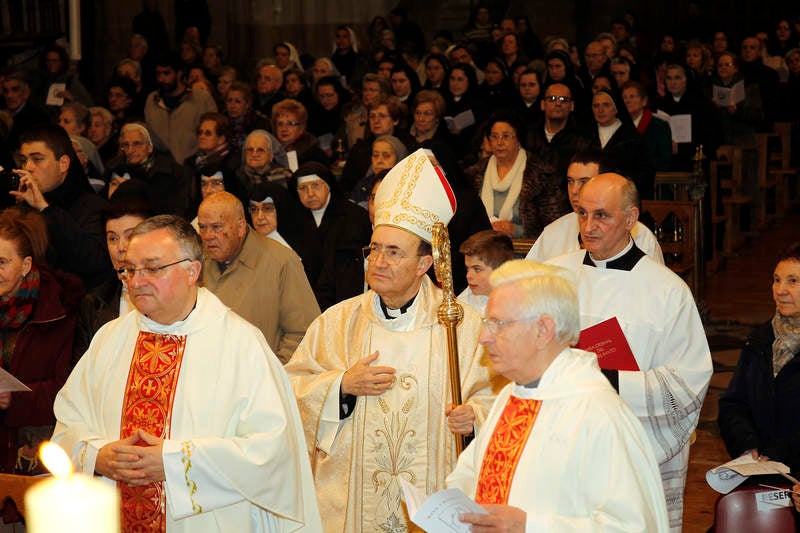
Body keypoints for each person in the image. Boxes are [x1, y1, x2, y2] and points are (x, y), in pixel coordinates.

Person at [52, 214, 322, 531]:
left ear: (192, 271)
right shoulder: (110, 339)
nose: (136, 281)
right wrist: (97, 456)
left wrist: (176, 462)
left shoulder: (240, 345)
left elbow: (273, 451)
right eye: (130, 269)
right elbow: (68, 423)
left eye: (152, 268)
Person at [285, 149, 499, 532]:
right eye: (375, 249)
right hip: (351, 510)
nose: (378, 262)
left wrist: (476, 417)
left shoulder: (464, 329)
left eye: (394, 252)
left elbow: (501, 399)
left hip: (433, 500)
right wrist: (340, 386)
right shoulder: (337, 323)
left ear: (423, 265)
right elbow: (291, 389)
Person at [448, 260, 669, 532]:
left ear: (543, 330)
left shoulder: (598, 412)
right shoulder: (510, 395)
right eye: (487, 322)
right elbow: (472, 475)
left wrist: (530, 527)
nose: (484, 337)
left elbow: (634, 526)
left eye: (498, 324)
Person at [547, 173, 713, 531]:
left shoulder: (666, 290)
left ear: (631, 219)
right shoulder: (553, 276)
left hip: (633, 450)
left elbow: (688, 383)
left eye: (602, 215)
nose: (588, 226)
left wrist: (610, 380)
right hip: (565, 446)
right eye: (581, 213)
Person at [0, 208, 83, 475]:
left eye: (2, 262)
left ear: (25, 265)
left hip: (35, 452)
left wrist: (14, 399)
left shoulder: (57, 311)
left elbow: (69, 389)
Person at [198, 192, 320, 363]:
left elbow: (304, 332)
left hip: (260, 381)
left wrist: (274, 375)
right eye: (202, 227)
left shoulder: (280, 261)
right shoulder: (196, 263)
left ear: (240, 227)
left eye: (217, 227)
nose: (208, 235)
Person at [719, 243, 800, 471]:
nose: (780, 290)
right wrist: (747, 447)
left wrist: (777, 455)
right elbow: (733, 403)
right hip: (760, 470)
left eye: (793, 281)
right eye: (776, 279)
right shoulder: (761, 339)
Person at [13, 124, 111, 289]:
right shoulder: (20, 207)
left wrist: (45, 208)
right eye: (24, 160)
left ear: (63, 163)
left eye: (37, 159)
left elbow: (93, 263)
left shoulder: (94, 207)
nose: (28, 167)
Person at [527, 150, 663, 263]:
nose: (574, 190)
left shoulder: (642, 237)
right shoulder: (553, 232)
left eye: (584, 181)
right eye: (570, 181)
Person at [466, 112, 567, 238]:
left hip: (525, 251)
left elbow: (555, 225)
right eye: (494, 136)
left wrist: (516, 230)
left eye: (506, 136)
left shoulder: (541, 174)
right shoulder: (474, 173)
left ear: (518, 139)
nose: (499, 142)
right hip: (483, 248)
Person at [287, 162, 371, 310]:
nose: (310, 193)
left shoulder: (354, 217)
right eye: (303, 188)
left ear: (328, 186)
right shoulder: (292, 220)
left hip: (344, 300)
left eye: (316, 185)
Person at [588, 89, 655, 200]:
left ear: (616, 108)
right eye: (596, 106)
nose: (600, 110)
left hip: (622, 197)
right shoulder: (586, 137)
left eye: (606, 105)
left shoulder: (632, 138)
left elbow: (644, 174)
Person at [457, 229, 513, 314]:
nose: (468, 276)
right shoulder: (464, 301)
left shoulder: (519, 304)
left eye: (477, 269)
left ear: (501, 269)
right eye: (467, 268)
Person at [621, 80, 672, 172]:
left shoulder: (660, 126)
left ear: (644, 101)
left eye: (632, 97)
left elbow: (663, 161)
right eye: (624, 98)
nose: (627, 101)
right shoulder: (618, 126)